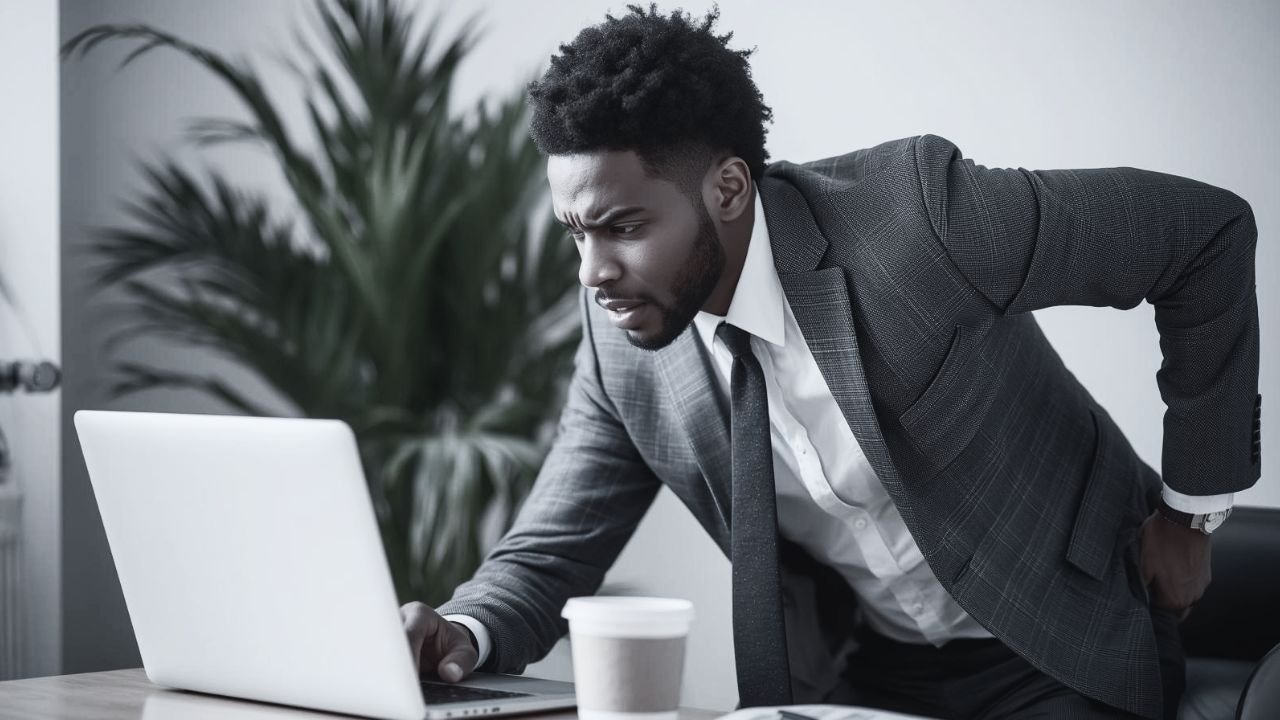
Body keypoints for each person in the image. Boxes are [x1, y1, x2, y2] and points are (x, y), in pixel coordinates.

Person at [399, 6, 1261, 719]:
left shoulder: (921, 224)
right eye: (575, 234)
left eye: (624, 227)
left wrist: (1191, 517)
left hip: (1058, 646)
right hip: (865, 677)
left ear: (728, 190)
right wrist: (460, 631)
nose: (592, 275)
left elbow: (1201, 237)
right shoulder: (631, 347)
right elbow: (552, 550)